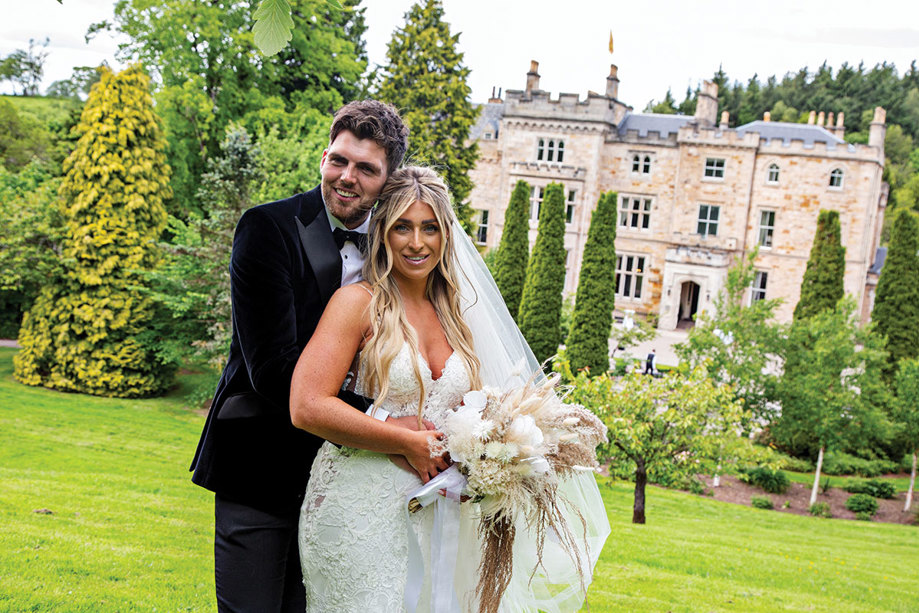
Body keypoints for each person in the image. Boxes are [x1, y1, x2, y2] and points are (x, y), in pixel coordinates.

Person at [290, 167, 609, 612]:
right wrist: (404, 439)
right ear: (383, 231)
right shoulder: (358, 304)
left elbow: (470, 411)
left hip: (441, 512)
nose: (416, 243)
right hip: (358, 509)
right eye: (402, 226)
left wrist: (495, 450)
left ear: (446, 235)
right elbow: (306, 406)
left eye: (429, 228)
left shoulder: (458, 316)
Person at [189, 100, 414, 612]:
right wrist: (390, 426)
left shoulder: (397, 247)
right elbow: (272, 369)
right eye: (338, 160)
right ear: (323, 157)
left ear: (389, 179)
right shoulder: (266, 229)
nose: (346, 177)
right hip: (262, 467)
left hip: (348, 483)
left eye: (366, 168)